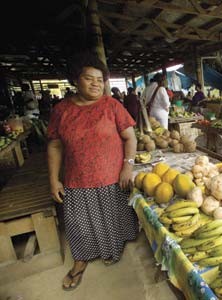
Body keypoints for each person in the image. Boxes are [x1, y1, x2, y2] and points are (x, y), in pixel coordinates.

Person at [47, 52, 138, 291]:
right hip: (77, 179)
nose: (96, 83)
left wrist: (128, 165)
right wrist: (53, 179)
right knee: (79, 223)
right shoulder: (61, 110)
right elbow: (55, 145)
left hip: (110, 176)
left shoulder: (112, 106)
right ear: (76, 80)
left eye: (100, 79)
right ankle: (80, 261)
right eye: (89, 78)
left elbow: (130, 137)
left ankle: (111, 249)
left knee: (111, 219)